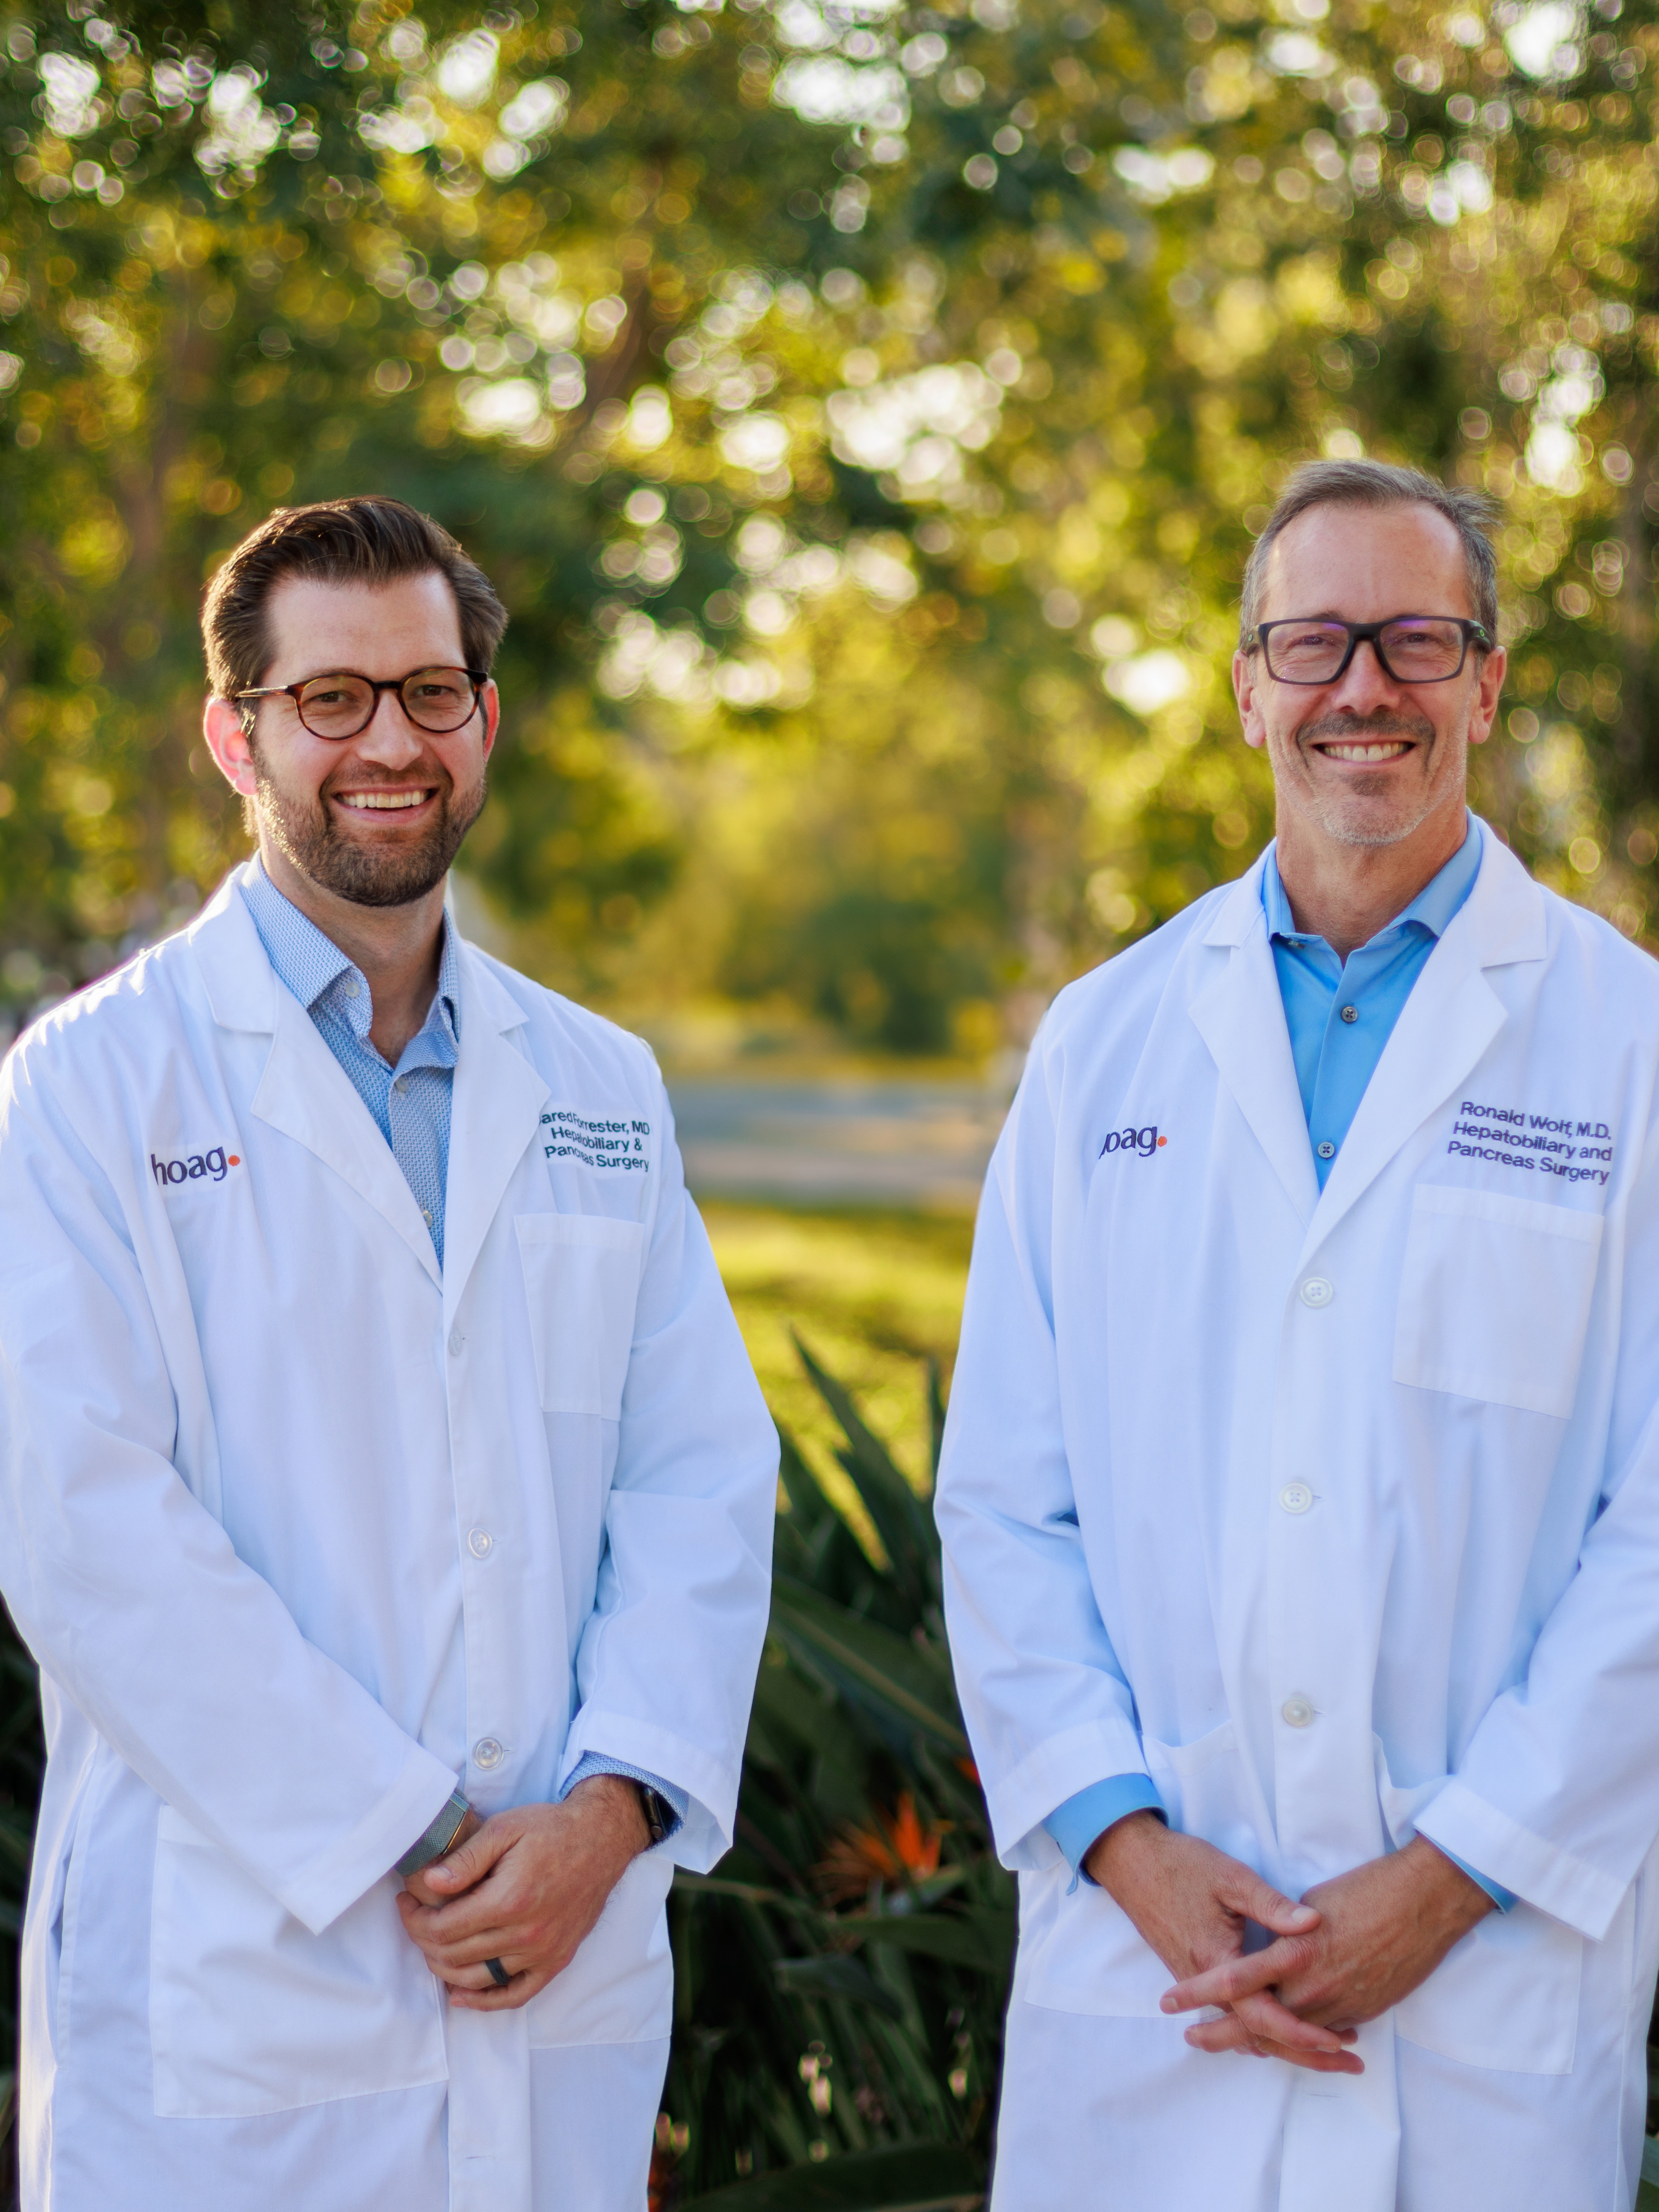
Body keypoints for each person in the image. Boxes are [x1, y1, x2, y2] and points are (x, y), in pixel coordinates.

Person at [0, 496, 778, 2212]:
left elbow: (699, 1477)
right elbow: (85, 1526)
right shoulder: (90, 1088)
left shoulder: (599, 1089)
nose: (390, 743)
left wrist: (609, 1814)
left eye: (431, 692)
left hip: (563, 1941)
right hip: (244, 1977)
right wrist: (410, 1841)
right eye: (330, 700)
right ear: (237, 734)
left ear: (483, 722)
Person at [936, 459, 1659, 2211]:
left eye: (1413, 639)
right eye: (1313, 641)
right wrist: (1126, 1845)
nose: (1361, 687)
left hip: (1482, 1980)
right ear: (1245, 682)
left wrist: (1454, 1872)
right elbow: (1004, 1499)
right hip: (1153, 1976)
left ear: (1483, 681)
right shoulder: (1103, 1044)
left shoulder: (1626, 1045)